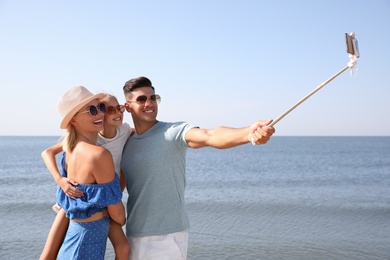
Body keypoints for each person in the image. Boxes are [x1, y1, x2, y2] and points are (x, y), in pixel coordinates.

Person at [121, 76, 275, 260]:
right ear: (127, 106)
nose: (149, 103)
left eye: (153, 98)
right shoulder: (126, 141)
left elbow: (210, 135)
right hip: (133, 234)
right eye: (141, 99)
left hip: (166, 237)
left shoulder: (173, 132)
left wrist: (248, 133)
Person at [40, 93, 131, 260]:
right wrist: (122, 219)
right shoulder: (99, 154)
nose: (100, 113)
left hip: (79, 239)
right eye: (91, 110)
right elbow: (116, 211)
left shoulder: (72, 148)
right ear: (73, 120)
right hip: (84, 247)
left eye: (100, 108)